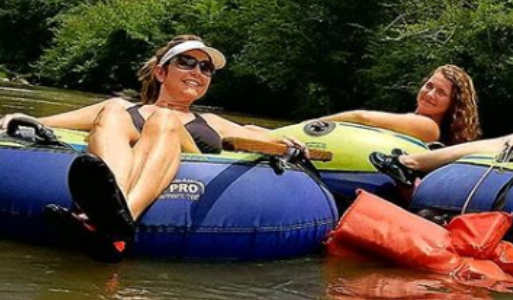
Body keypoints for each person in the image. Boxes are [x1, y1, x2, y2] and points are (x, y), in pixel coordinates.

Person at [0, 34, 306, 261]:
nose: (197, 72)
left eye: (206, 68)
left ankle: (116, 223)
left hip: (190, 163)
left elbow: (255, 133)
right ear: (161, 72)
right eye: (186, 62)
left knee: (164, 119)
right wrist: (14, 117)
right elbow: (46, 123)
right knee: (112, 111)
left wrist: (282, 141)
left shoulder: (213, 120)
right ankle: (107, 217)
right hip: (121, 161)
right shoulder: (120, 109)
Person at [318, 64, 481, 146]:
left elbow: (362, 117)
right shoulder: (412, 121)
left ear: (452, 104)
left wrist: (311, 125)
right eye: (429, 86)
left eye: (441, 92)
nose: (430, 94)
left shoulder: (429, 127)